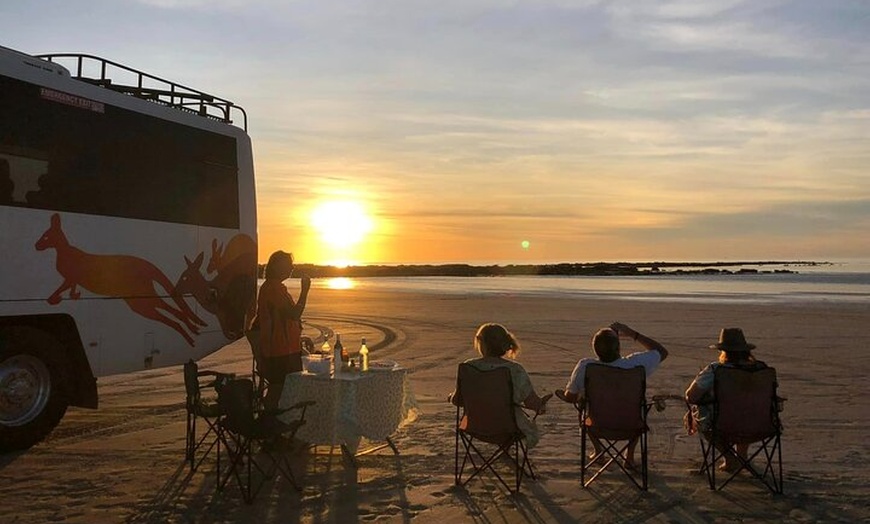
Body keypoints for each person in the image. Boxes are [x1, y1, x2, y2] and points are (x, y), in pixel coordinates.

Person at [555, 322, 668, 468]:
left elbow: (570, 398)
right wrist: (631, 333)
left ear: (595, 350)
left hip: (597, 425)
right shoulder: (635, 364)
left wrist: (579, 396)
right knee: (637, 409)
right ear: (618, 348)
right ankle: (629, 456)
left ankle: (599, 451)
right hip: (631, 425)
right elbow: (661, 351)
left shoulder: (586, 366)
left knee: (585, 410)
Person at [449, 323, 553, 448]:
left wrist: (450, 397)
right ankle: (505, 451)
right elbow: (532, 404)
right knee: (517, 421)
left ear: (481, 343)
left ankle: (504, 451)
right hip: (509, 428)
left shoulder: (468, 368)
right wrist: (541, 405)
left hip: (474, 426)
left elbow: (458, 401)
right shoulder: (515, 370)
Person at [685, 327, 768, 472]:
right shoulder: (761, 369)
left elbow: (691, 396)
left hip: (723, 425)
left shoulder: (716, 369)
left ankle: (730, 459)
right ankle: (742, 456)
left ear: (723, 351)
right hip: (761, 424)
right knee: (745, 409)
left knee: (700, 416)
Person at [255, 250, 311, 409]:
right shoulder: (273, 289)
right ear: (278, 266)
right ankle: (269, 425)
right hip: (280, 352)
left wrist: (298, 339)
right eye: (289, 265)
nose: (292, 268)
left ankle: (275, 423)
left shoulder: (275, 288)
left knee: (283, 390)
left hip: (284, 349)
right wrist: (305, 291)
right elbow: (294, 314)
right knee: (278, 390)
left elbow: (283, 320)